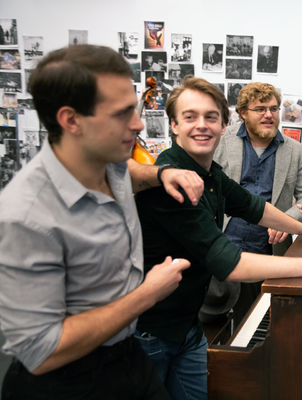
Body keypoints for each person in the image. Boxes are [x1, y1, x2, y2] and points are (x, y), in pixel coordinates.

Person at [0, 44, 206, 400]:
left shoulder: (109, 161)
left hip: (127, 357)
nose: (139, 123)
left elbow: (132, 172)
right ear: (71, 120)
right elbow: (41, 350)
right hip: (67, 382)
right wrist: (146, 295)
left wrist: (163, 173)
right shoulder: (26, 217)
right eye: (122, 113)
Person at [133, 76, 302, 400]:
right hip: (153, 333)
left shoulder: (209, 174)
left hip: (186, 328)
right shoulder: (174, 181)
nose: (202, 126)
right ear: (174, 125)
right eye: (190, 117)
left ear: (224, 124)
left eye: (211, 117)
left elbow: (254, 206)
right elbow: (228, 262)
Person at [207, 82, 302, 322]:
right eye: (260, 109)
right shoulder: (220, 140)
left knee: (254, 325)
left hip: (267, 255)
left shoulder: (295, 150)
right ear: (243, 113)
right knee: (210, 325)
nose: (269, 115)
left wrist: (288, 219)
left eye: (274, 108)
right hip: (219, 249)